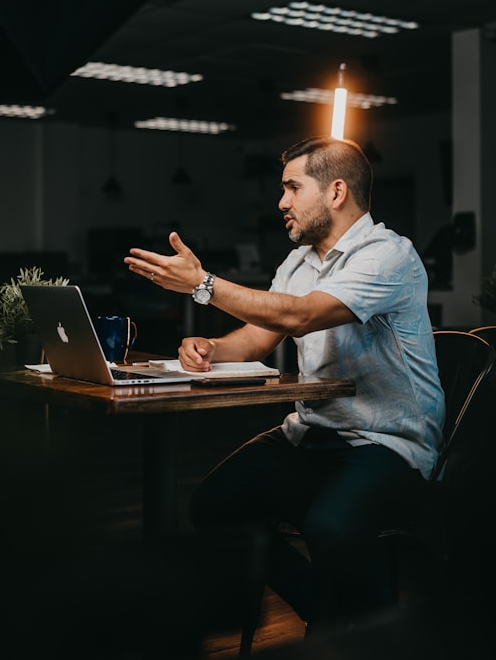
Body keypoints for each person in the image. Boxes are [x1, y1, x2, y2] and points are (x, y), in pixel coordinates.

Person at [123, 135, 445, 632]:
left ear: (336, 192)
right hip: (314, 432)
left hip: (387, 442)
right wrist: (211, 348)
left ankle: (375, 634)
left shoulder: (388, 255)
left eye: (292, 188)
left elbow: (300, 316)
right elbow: (259, 336)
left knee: (330, 526)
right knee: (213, 506)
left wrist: (204, 286)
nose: (281, 202)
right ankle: (328, 614)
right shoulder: (298, 263)